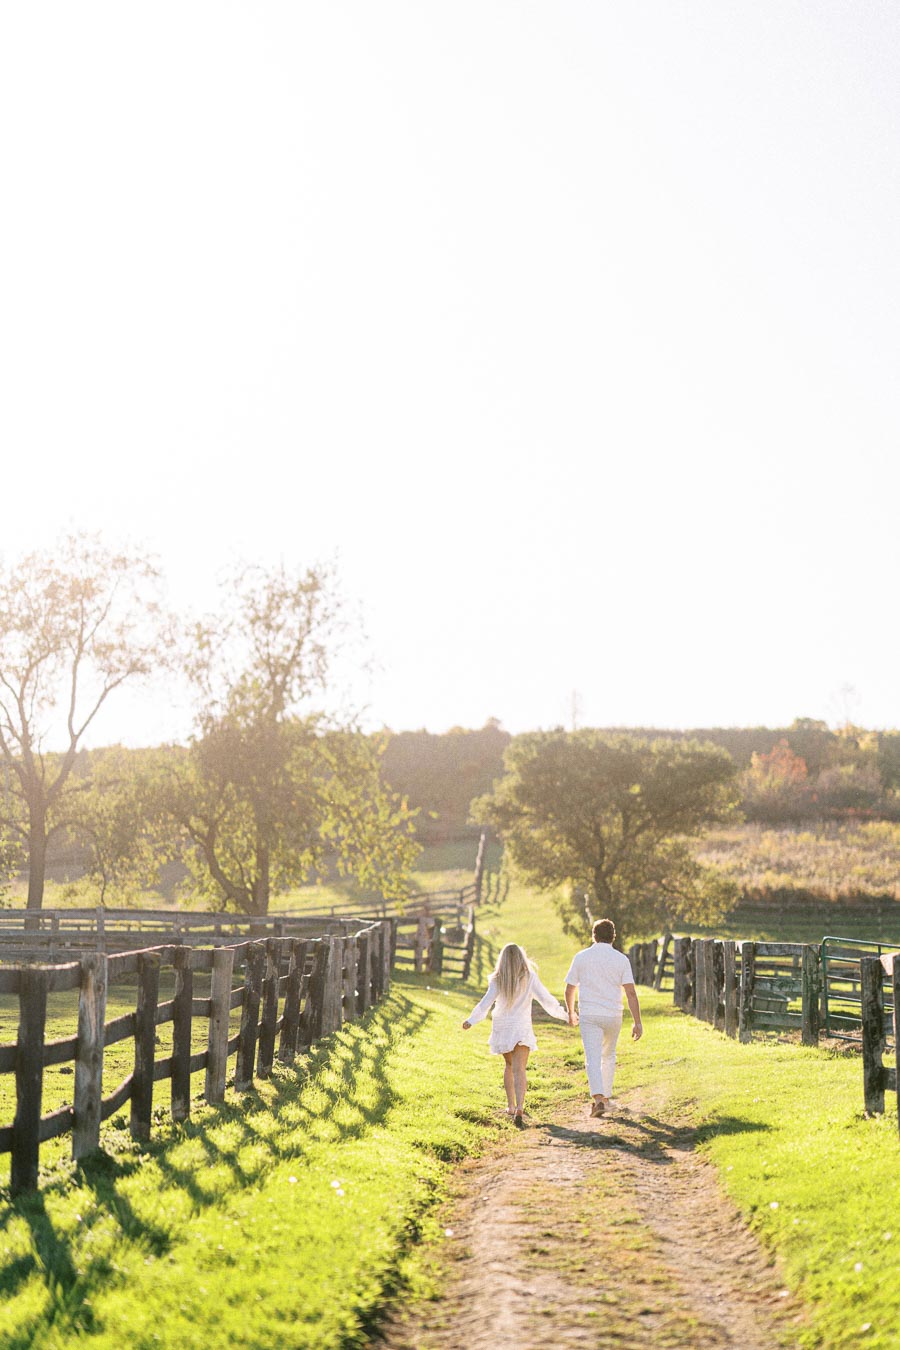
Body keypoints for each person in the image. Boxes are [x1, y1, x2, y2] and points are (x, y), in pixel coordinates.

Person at [462, 942, 567, 1126]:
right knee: (520, 1069)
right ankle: (520, 1106)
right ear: (521, 958)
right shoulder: (529, 977)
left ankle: (510, 1106)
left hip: (503, 1026)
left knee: (509, 1066)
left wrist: (471, 1020)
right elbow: (547, 1000)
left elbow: (485, 1003)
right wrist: (565, 1016)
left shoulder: (497, 979)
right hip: (521, 1026)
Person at [564, 918, 642, 1118]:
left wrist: (571, 1012)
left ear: (594, 936)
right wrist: (637, 1021)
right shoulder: (621, 959)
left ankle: (599, 1099)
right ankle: (606, 1098)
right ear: (613, 937)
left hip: (590, 1014)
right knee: (608, 1056)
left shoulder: (581, 957)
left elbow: (570, 988)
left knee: (593, 1057)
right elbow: (631, 993)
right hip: (613, 1015)